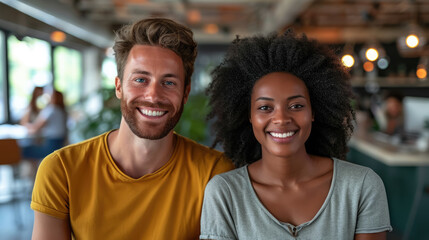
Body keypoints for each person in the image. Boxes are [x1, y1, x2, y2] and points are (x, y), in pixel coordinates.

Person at [31, 18, 234, 240]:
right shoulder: (61, 170)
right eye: (140, 79)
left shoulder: (215, 173)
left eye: (169, 83)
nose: (153, 96)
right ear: (119, 86)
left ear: (185, 93)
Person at [200, 31, 392, 239]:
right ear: (249, 116)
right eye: (265, 107)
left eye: (296, 105)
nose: (281, 118)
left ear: (313, 112)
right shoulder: (225, 193)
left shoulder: (360, 186)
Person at [21, 89, 68, 159]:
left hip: (51, 146)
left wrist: (25, 124)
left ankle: (33, 169)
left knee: (22, 150)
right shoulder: (61, 111)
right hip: (59, 145)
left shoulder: (51, 110)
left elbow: (36, 128)